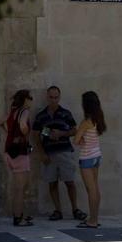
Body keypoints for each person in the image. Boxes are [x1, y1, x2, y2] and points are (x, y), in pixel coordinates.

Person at [32, 86, 87, 221]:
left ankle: (75, 209)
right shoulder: (41, 116)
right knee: (52, 183)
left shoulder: (65, 113)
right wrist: (42, 153)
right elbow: (35, 135)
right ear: (47, 97)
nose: (53, 100)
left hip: (64, 152)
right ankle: (58, 210)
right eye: (51, 97)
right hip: (49, 154)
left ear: (59, 97)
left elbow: (74, 130)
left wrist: (62, 133)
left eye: (56, 97)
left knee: (69, 182)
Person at [0, 89, 34, 227]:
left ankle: (19, 214)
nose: (31, 100)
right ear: (25, 99)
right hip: (20, 153)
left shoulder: (12, 112)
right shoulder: (24, 111)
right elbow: (24, 124)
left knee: (17, 187)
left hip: (9, 152)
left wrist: (7, 134)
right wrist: (24, 133)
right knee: (20, 188)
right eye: (30, 98)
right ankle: (18, 219)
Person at [74, 91, 106, 228]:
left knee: (91, 189)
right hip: (96, 156)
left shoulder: (86, 121)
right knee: (95, 188)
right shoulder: (98, 118)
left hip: (87, 157)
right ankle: (94, 218)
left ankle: (92, 220)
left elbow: (76, 140)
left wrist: (79, 136)